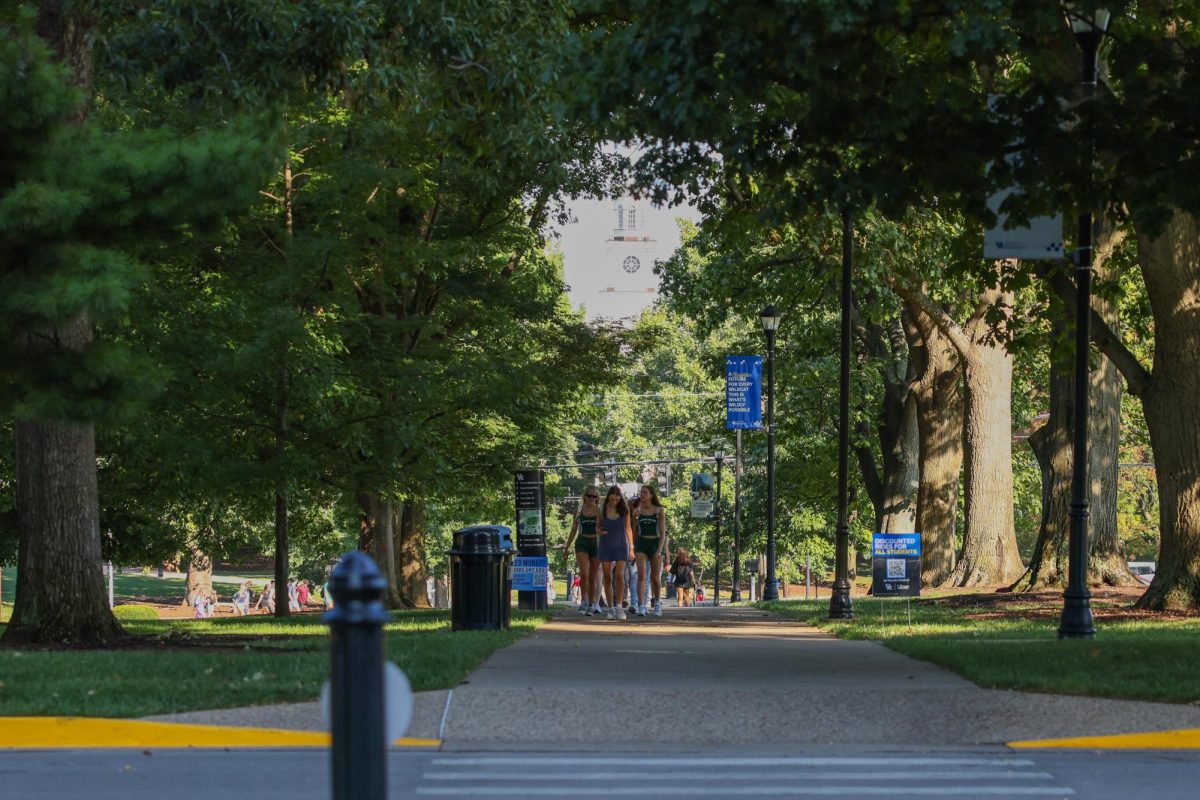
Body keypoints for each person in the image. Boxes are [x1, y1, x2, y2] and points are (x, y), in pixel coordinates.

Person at [563, 487, 603, 616]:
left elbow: (605, 528)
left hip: (595, 543)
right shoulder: (579, 510)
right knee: (584, 573)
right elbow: (574, 529)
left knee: (593, 575)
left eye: (595, 497)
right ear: (585, 496)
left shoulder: (600, 510)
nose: (592, 499)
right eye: (590, 496)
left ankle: (592, 603)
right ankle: (584, 600)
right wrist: (567, 547)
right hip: (582, 542)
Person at [596, 485, 634, 620]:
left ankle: (619, 607)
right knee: (607, 576)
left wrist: (631, 547)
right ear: (608, 498)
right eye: (612, 499)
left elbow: (628, 529)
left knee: (619, 575)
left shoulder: (624, 510)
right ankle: (610, 608)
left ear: (620, 498)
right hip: (606, 544)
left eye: (617, 499)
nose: (614, 502)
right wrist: (600, 531)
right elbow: (598, 526)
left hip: (620, 545)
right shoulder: (603, 509)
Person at [632, 485, 667, 617]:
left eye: (645, 492)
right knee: (641, 575)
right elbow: (635, 529)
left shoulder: (659, 511)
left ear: (651, 495)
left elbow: (663, 533)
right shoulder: (637, 510)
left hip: (655, 543)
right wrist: (634, 546)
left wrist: (659, 550)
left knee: (655, 577)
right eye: (641, 492)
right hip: (641, 543)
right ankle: (641, 605)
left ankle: (657, 603)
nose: (642, 494)